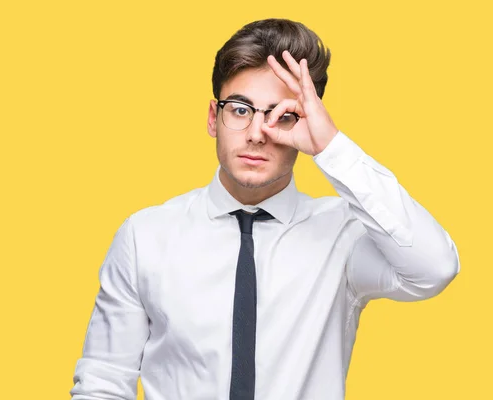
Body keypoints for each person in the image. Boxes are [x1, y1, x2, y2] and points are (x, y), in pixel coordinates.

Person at [69, 18, 460, 400]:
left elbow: (433, 268)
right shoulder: (145, 237)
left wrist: (332, 147)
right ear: (213, 117)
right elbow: (103, 383)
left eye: (281, 115)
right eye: (240, 109)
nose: (258, 133)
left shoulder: (344, 236)